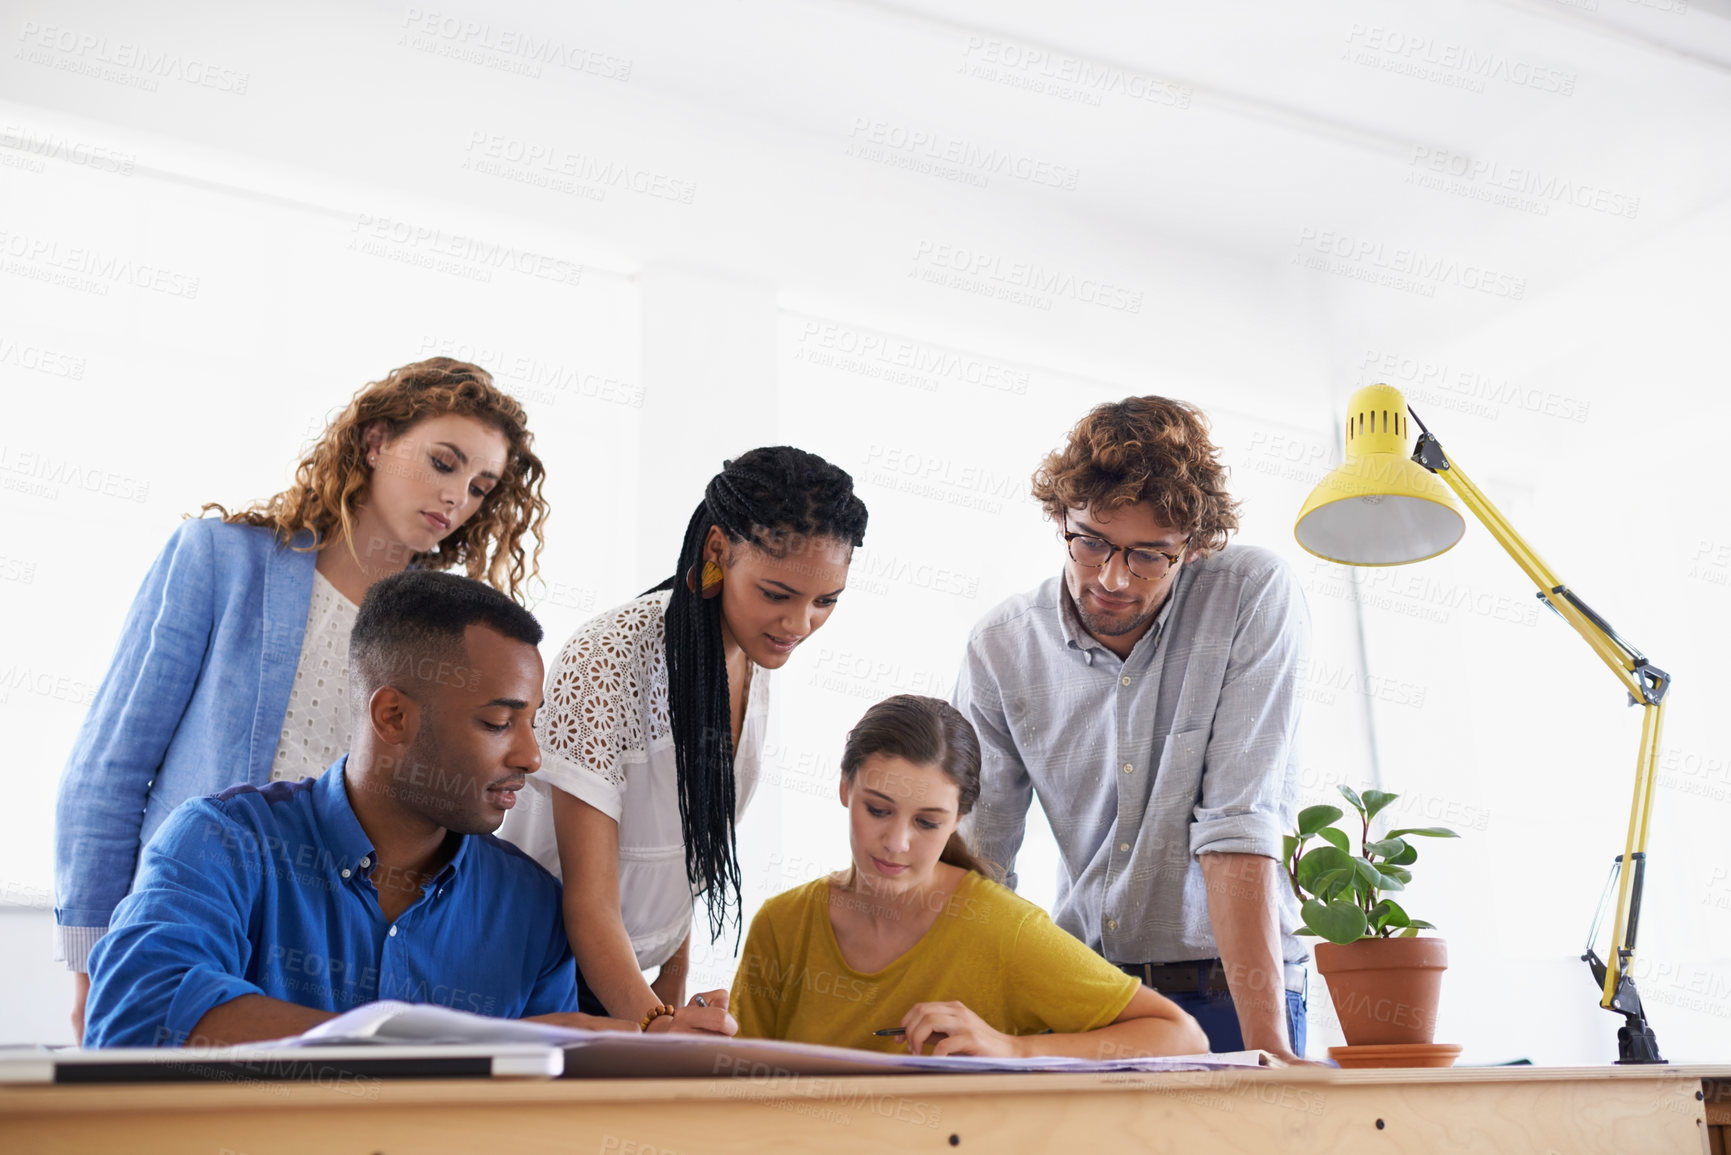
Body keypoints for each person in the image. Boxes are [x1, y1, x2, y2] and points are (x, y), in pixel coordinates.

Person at [55, 357, 550, 1039]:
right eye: (442, 463)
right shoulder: (221, 562)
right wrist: (95, 960)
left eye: (479, 486)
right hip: (212, 912)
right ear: (374, 442)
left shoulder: (448, 634)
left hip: (343, 931)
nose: (455, 497)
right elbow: (110, 768)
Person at [82, 571, 706, 1046]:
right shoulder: (221, 844)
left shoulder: (534, 908)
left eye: (532, 723)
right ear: (393, 716)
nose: (531, 756)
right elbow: (135, 1015)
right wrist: (458, 1050)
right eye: (497, 722)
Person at [952, 396, 1312, 1059]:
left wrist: (1270, 1054)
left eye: (1150, 556)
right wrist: (983, 1035)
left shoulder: (1248, 595)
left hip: (1238, 991)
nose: (1113, 577)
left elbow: (1238, 820)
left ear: (1194, 547)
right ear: (1061, 517)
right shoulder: (1000, 648)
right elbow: (979, 868)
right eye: (1089, 541)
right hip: (1092, 996)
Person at [501, 447, 867, 1032]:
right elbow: (588, 906)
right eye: (777, 594)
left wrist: (671, 993)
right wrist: (654, 1025)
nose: (798, 625)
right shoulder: (608, 660)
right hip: (527, 983)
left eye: (825, 602)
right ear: (718, 550)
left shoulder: (752, 654)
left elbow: (689, 851)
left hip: (619, 989)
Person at [729, 695, 1207, 1058]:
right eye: (878, 809)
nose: (896, 842)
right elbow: (735, 1091)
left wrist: (1015, 1050)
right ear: (843, 788)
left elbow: (1181, 1037)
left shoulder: (1000, 927)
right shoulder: (782, 924)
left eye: (927, 822)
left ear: (959, 818)